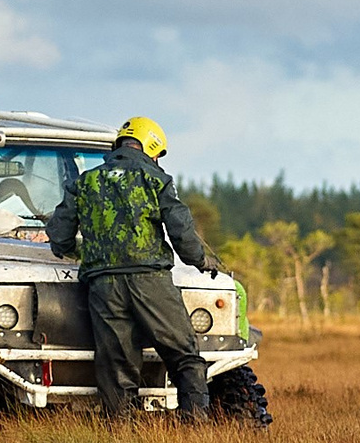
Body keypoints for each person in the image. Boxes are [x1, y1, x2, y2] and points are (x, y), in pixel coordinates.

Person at [47, 116, 226, 421]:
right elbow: (182, 233)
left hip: (103, 286)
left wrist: (84, 253)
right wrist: (202, 261)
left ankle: (123, 436)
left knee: (117, 366)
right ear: (151, 147)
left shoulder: (85, 181)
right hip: (149, 281)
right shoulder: (157, 179)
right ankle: (196, 427)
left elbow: (59, 237)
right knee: (184, 356)